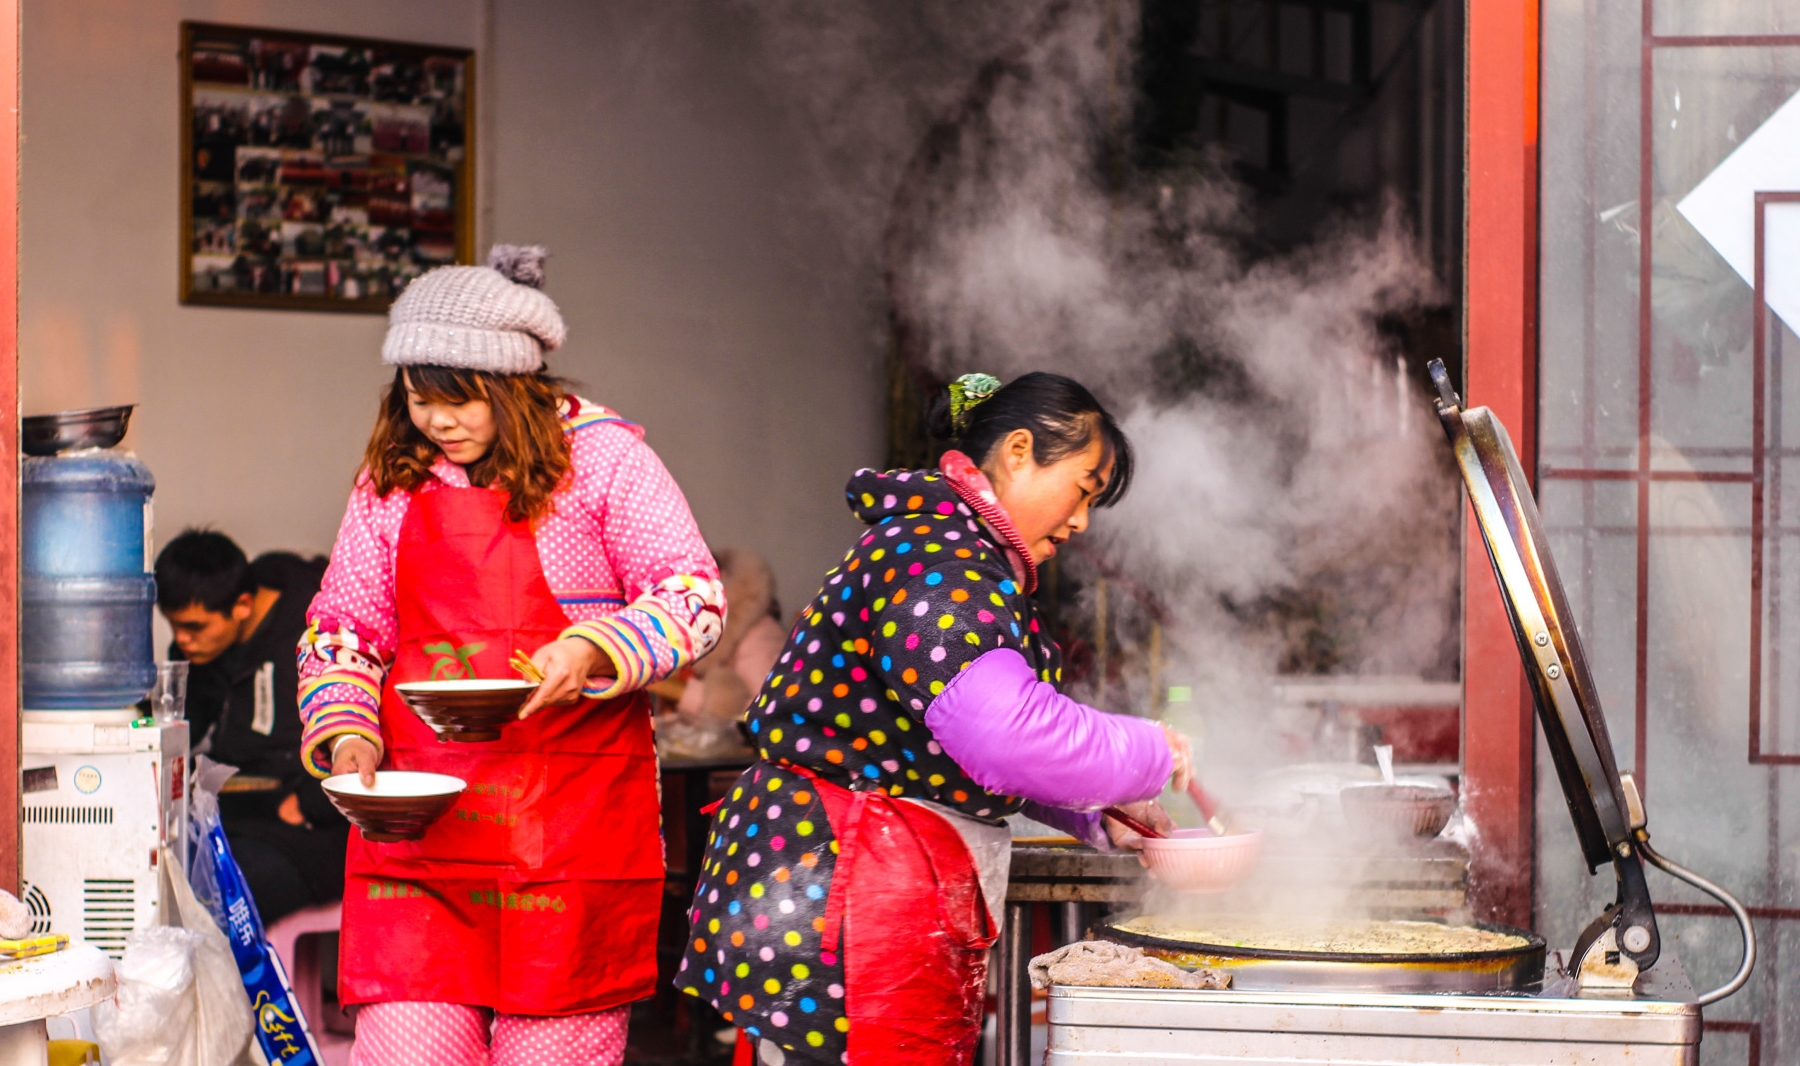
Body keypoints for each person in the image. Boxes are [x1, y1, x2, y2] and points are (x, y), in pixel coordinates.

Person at [677, 372, 1190, 1066]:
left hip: (859, 885)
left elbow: (942, 745)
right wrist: (1155, 750)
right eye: (1083, 489)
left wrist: (1099, 806)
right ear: (1017, 452)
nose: (1081, 522)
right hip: (847, 893)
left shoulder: (958, 551)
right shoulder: (935, 554)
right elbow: (1002, 731)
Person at [298, 245, 725, 1066]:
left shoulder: (604, 462)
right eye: (420, 399)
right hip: (422, 838)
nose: (438, 421)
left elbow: (693, 597)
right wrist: (350, 733)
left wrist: (591, 646)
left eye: (461, 401)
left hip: (569, 839)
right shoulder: (392, 480)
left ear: (515, 386)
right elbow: (344, 624)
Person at [155, 530, 347, 925]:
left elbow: (364, 716)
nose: (182, 641)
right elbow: (182, 722)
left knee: (214, 892)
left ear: (242, 605)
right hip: (235, 815)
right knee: (156, 870)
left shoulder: (320, 627)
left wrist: (314, 804)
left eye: (194, 628)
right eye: (174, 628)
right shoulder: (204, 645)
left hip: (310, 829)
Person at [652, 547, 787, 760]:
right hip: (709, 769)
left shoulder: (758, 634)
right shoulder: (695, 636)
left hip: (742, 775)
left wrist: (686, 693)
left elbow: (768, 716)